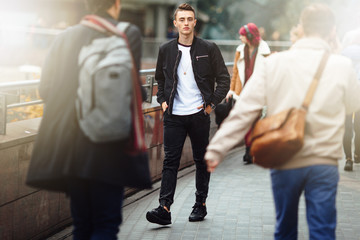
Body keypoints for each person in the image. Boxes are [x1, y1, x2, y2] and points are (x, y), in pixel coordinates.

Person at [205, 3, 360, 240]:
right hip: (323, 162)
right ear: (331, 31)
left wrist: (217, 149)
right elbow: (352, 105)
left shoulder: (274, 63)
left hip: (285, 158)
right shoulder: (341, 65)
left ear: (302, 27)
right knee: (322, 230)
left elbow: (245, 109)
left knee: (285, 229)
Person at [26, 0, 151, 239]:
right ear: (116, 4)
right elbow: (132, 90)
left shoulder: (64, 37)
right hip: (109, 143)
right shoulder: (125, 33)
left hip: (70, 146)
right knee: (106, 223)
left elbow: (45, 90)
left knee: (82, 225)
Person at [146, 3, 230, 225]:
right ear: (175, 23)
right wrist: (163, 102)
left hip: (199, 114)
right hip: (173, 114)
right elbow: (160, 80)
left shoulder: (209, 48)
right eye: (181, 19)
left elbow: (224, 79)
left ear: (194, 22)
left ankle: (199, 204)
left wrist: (211, 103)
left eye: (189, 19)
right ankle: (164, 208)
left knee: (201, 161)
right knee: (170, 162)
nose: (185, 23)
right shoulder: (166, 50)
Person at [225, 23, 270, 164]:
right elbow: (235, 73)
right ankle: (248, 150)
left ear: (250, 36)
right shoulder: (240, 50)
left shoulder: (264, 50)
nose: (240, 37)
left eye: (242, 35)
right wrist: (231, 90)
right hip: (242, 92)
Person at [342, 29, 360, 171]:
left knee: (347, 127)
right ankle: (357, 154)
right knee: (358, 126)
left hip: (347, 92)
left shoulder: (345, 52)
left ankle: (348, 159)